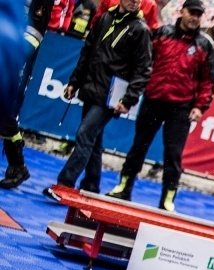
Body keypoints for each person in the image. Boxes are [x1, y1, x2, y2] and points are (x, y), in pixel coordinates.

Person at [104, 0, 214, 211]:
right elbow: (143, 62)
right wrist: (132, 93)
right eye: (191, 12)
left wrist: (200, 107)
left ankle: (168, 198)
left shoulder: (204, 44)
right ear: (181, 12)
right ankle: (123, 186)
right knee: (139, 146)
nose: (194, 17)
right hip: (153, 100)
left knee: (173, 155)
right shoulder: (162, 33)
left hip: (181, 107)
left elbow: (209, 80)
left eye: (198, 14)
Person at [42, 0, 151, 199]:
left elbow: (143, 69)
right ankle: (91, 186)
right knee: (94, 140)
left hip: (112, 96)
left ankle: (65, 185)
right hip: (92, 87)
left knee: (85, 134)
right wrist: (74, 81)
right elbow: (87, 52)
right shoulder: (104, 18)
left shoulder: (141, 30)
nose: (135, 1)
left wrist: (129, 99)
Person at [0, 0, 54, 190]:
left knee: (5, 114)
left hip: (13, 57)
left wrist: (13, 56)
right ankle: (18, 166)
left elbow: (35, 33)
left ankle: (18, 165)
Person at [92, 0, 158, 30]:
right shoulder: (150, 4)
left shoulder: (150, 5)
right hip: (104, 48)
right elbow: (96, 23)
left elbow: (151, 34)